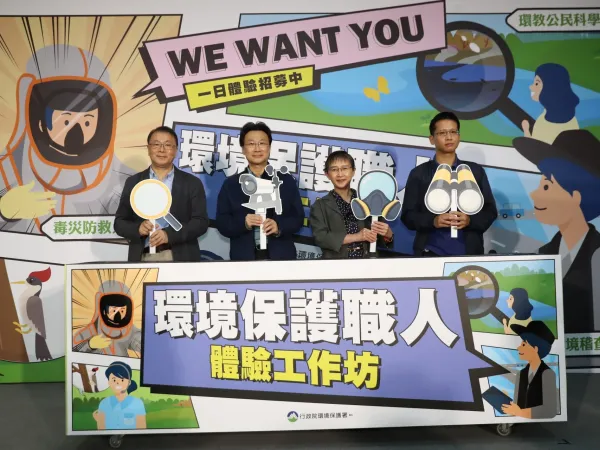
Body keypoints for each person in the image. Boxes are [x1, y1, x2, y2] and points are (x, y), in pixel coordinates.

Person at [513, 129, 600, 333]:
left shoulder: (597, 253)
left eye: (546, 187)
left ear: (576, 196)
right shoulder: (543, 254)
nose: (534, 194)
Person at [400, 111, 497, 256]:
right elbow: (408, 216)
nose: (449, 137)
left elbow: (490, 211)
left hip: (469, 253)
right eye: (442, 133)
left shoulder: (474, 171)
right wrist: (433, 221)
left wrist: (469, 220)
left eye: (453, 132)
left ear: (459, 136)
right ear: (432, 139)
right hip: (430, 253)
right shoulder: (419, 173)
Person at [114, 125, 209, 262]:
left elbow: (200, 222)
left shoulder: (192, 183)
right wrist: (138, 228)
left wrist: (169, 235)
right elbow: (119, 223)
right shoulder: (134, 182)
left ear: (175, 150)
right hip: (143, 257)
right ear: (148, 149)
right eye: (156, 144)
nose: (162, 150)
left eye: (168, 145)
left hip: (181, 258)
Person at [215, 121, 304, 260]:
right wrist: (243, 223)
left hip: (281, 258)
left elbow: (298, 218)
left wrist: (279, 226)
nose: (257, 149)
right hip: (244, 259)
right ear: (243, 149)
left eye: (262, 143)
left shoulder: (285, 181)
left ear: (269, 147)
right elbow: (222, 222)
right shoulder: (231, 184)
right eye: (251, 144)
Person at [310, 150, 393, 258]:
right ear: (327, 174)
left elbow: (383, 240)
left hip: (366, 263)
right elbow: (321, 238)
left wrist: (388, 235)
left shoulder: (368, 201)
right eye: (334, 169)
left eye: (345, 168)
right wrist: (357, 237)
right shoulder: (320, 206)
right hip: (335, 264)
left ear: (353, 171)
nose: (340, 174)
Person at [501, 321, 557, 419]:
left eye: (524, 344)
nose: (518, 348)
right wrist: (508, 404)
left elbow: (550, 410)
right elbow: (518, 406)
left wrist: (520, 412)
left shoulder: (547, 374)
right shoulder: (521, 374)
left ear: (535, 348)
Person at [93, 361, 147, 430]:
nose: (117, 383)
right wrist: (100, 421)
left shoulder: (137, 403)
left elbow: (141, 429)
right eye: (114, 380)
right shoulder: (104, 403)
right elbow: (101, 430)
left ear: (129, 382)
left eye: (122, 380)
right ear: (109, 382)